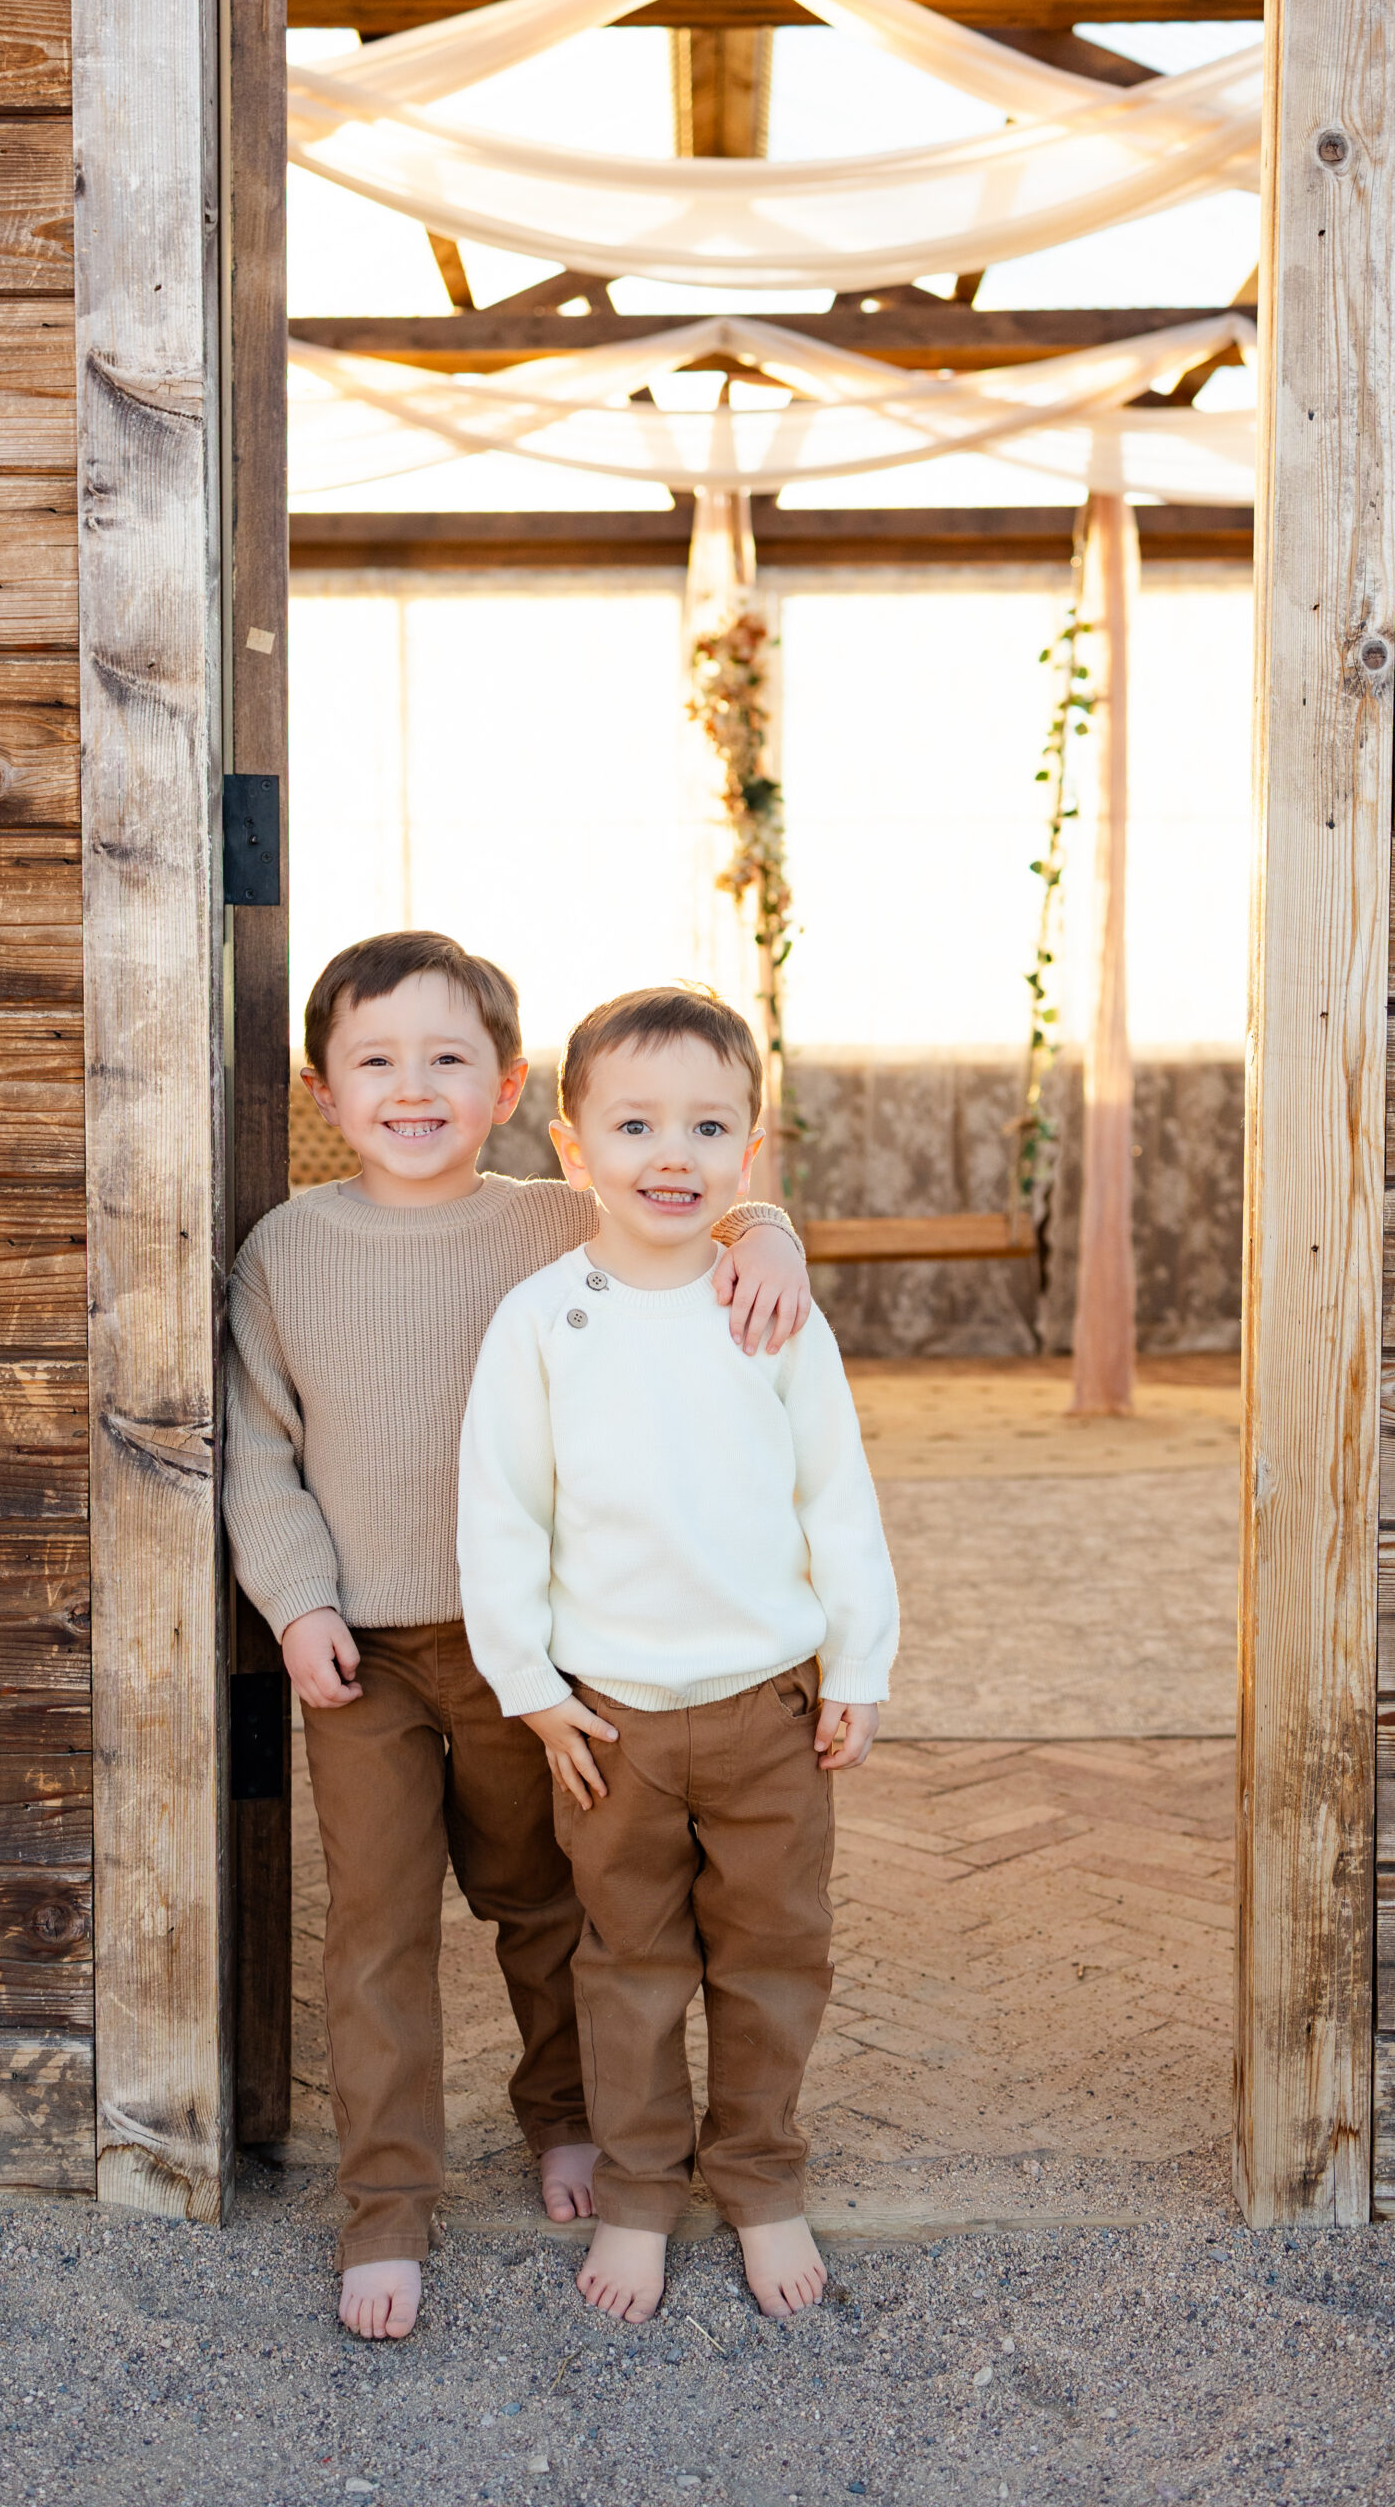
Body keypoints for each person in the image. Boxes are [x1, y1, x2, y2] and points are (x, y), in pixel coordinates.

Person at [224, 933, 812, 2343]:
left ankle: (564, 2117)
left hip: (530, 1652)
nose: (411, 1088)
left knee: (545, 1899)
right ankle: (386, 2204)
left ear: (504, 1087)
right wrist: (297, 1604)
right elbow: (258, 1453)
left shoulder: (549, 1222)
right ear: (323, 1087)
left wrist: (768, 1229)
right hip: (359, 1656)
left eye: (448, 1060)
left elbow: (687, 1206)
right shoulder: (285, 1250)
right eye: (376, 1061)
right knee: (372, 1929)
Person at [457, 985, 898, 2327]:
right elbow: (501, 1512)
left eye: (709, 1127)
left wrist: (859, 1666)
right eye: (636, 1124)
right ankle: (643, 2191)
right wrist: (529, 1691)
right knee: (631, 1966)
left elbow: (838, 1497)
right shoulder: (541, 1321)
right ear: (570, 1145)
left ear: (749, 1151)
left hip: (769, 1710)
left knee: (773, 1958)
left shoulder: (768, 1311)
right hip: (610, 1725)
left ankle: (761, 2176)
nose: (673, 1154)